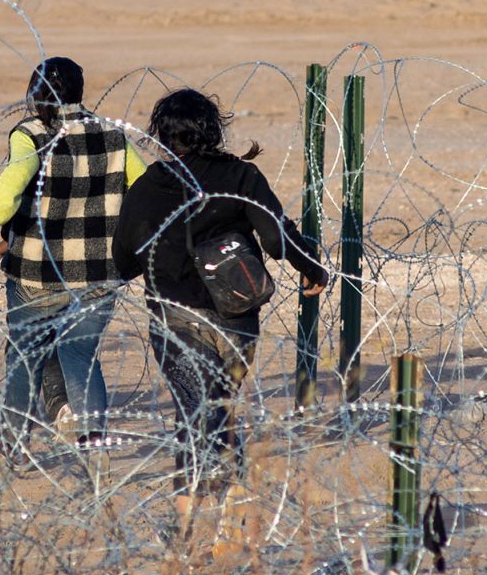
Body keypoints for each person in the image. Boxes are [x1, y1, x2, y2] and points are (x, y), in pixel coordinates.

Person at [112, 88, 327, 515]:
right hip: (236, 314)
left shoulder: (150, 185)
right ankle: (232, 511)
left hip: (175, 314)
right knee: (222, 407)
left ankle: (189, 516)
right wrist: (312, 268)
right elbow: (274, 236)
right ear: (213, 129)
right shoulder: (239, 176)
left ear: (162, 134)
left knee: (192, 411)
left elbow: (124, 261)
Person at [0, 57, 146, 477]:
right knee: (81, 354)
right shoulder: (114, 135)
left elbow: (11, 191)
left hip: (37, 271)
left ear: (36, 93)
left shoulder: (30, 134)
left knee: (25, 357)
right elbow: (144, 186)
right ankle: (94, 445)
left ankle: (12, 447)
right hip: (99, 271)